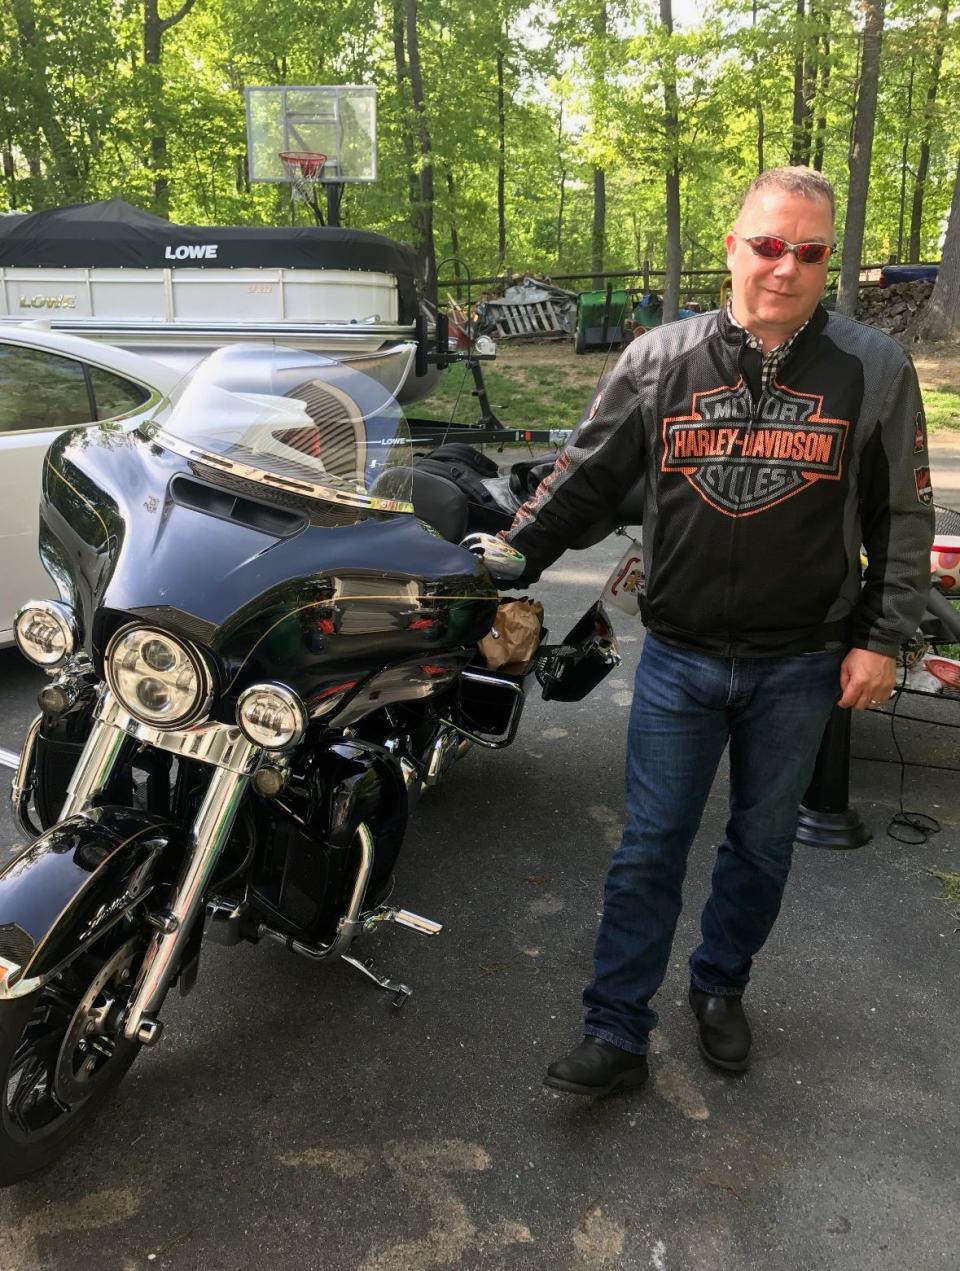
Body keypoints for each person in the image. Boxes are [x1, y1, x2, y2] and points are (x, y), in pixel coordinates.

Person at [503, 166, 935, 1096]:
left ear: (830, 264)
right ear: (733, 245)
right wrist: (506, 557)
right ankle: (616, 1029)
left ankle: (720, 986)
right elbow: (582, 477)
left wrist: (881, 637)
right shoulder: (661, 358)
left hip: (805, 660)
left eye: (810, 252)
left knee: (763, 842)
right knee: (650, 842)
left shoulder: (875, 368)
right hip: (680, 657)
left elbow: (902, 515)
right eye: (769, 244)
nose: (786, 267)